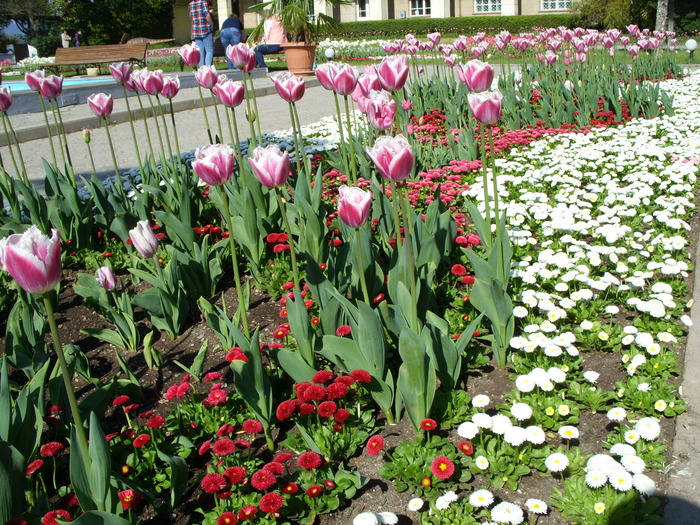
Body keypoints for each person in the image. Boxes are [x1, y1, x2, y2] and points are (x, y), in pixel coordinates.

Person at [188, 0, 214, 66]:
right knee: (209, 51)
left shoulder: (190, 4)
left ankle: (202, 68)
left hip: (196, 31)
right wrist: (212, 24)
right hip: (206, 29)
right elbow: (207, 15)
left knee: (200, 52)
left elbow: (191, 18)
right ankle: (208, 68)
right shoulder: (203, 2)